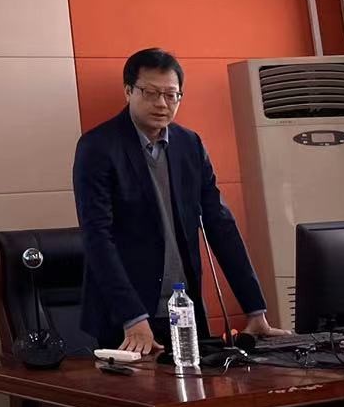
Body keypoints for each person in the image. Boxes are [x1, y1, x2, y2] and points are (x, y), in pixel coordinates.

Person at [71, 48, 282, 355]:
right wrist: (132, 316)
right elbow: (97, 237)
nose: (162, 103)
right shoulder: (98, 147)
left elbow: (221, 225)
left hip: (183, 309)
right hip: (127, 320)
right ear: (128, 91)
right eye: (150, 93)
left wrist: (255, 309)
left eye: (171, 95)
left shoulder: (189, 145)